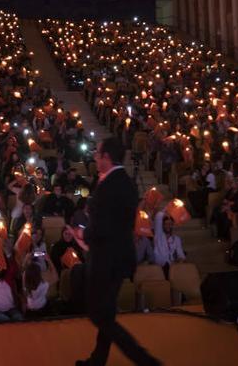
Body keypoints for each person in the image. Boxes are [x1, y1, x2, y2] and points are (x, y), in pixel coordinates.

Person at [76, 137, 160, 366]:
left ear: (107, 158)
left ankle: (145, 360)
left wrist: (84, 236)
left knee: (98, 315)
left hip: (106, 259)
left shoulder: (108, 187)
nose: (95, 158)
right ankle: (98, 360)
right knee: (107, 313)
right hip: (121, 256)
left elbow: (102, 227)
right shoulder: (127, 183)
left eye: (98, 154)